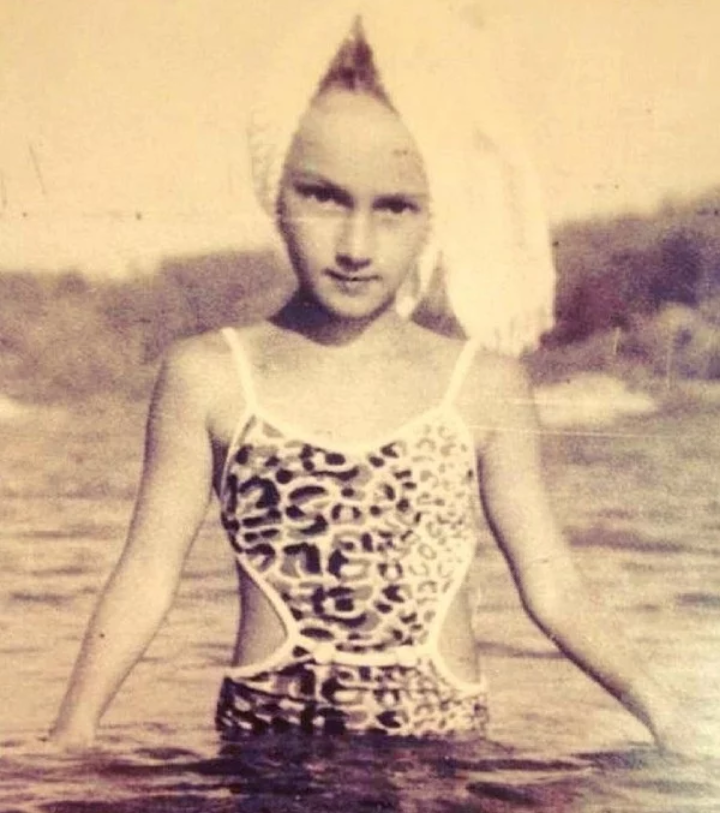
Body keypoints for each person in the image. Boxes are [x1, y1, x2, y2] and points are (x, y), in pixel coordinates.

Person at [51, 0, 687, 751]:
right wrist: (73, 730)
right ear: (276, 189)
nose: (356, 244)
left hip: (440, 764)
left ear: (434, 214)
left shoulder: (481, 385)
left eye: (395, 207)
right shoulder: (211, 376)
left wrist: (673, 719)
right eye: (323, 196)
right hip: (264, 761)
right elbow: (147, 575)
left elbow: (554, 589)